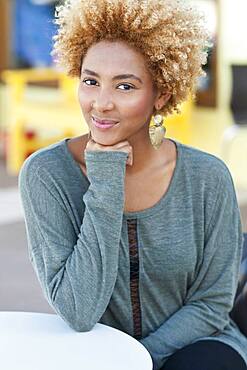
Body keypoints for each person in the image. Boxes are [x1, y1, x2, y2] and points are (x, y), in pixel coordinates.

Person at [19, 0, 247, 369]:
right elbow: (78, 309)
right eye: (91, 81)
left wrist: (140, 359)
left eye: (125, 86)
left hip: (199, 345)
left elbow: (212, 303)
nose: (101, 104)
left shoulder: (208, 178)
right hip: (96, 356)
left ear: (161, 95)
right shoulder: (46, 175)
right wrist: (106, 179)